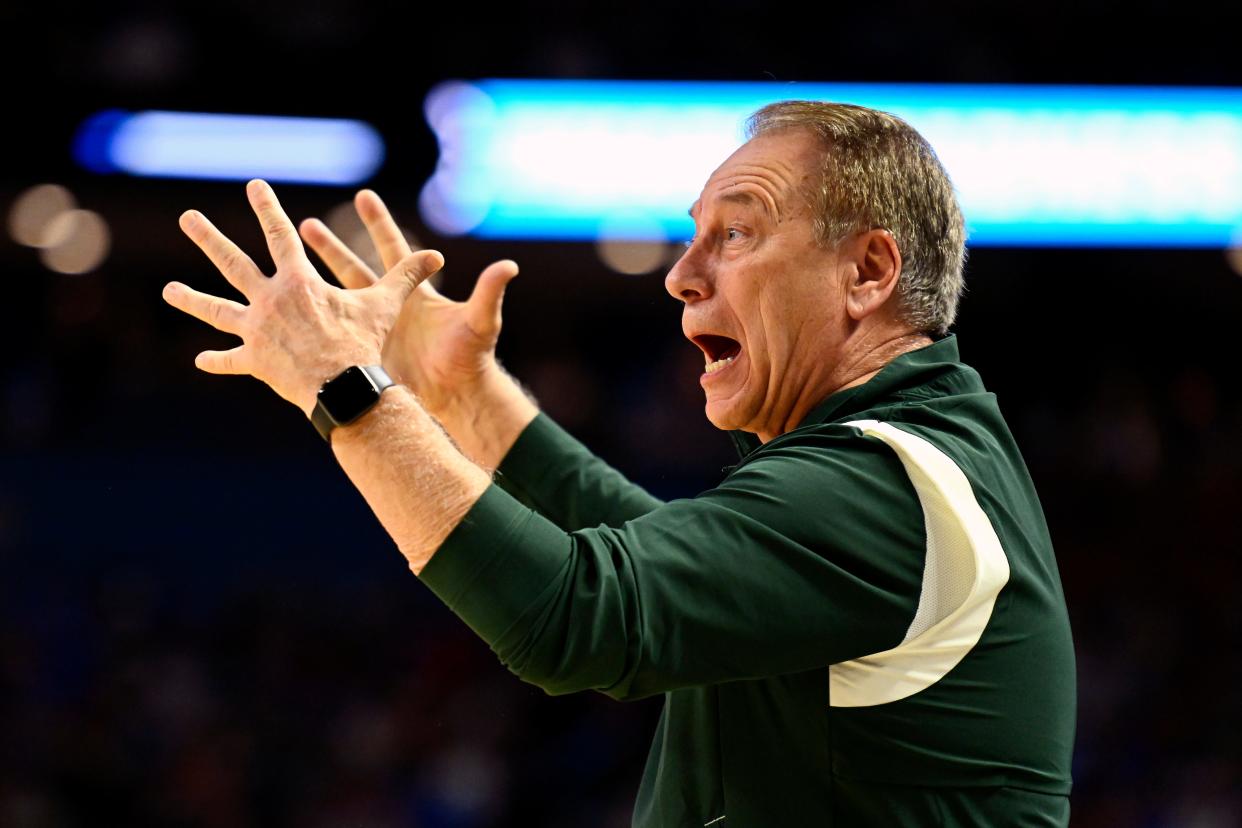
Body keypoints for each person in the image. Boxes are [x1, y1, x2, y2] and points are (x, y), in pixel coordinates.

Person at [162, 100, 1076, 826]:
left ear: (869, 272)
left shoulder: (888, 486)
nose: (683, 276)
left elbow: (575, 617)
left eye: (738, 234)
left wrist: (347, 390)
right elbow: (634, 553)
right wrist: (466, 397)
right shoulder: (914, 461)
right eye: (695, 235)